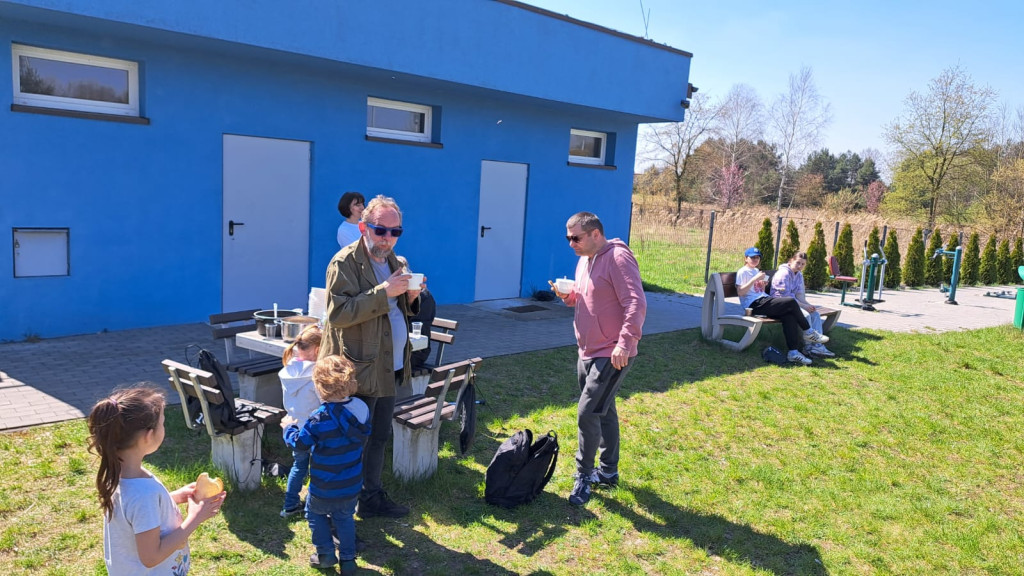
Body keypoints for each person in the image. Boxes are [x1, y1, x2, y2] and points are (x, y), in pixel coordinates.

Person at [320, 194, 421, 519]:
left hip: (386, 366)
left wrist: (412, 296)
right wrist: (384, 292)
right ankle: (339, 514)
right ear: (363, 227)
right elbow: (338, 313)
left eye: (395, 232)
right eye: (381, 230)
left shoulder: (397, 263)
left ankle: (371, 498)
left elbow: (399, 309)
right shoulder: (344, 263)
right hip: (355, 371)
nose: (387, 238)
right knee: (349, 445)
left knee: (378, 436)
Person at [554, 211, 647, 507]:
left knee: (587, 412)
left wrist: (625, 343)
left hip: (612, 351)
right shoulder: (585, 259)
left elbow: (635, 301)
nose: (571, 243)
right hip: (588, 350)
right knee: (603, 410)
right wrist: (569, 297)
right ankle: (608, 471)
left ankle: (584, 476)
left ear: (596, 234)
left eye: (576, 237)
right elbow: (587, 296)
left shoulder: (618, 258)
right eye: (568, 238)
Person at [87, 385, 225, 575]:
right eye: (162, 423)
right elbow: (151, 557)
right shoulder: (144, 494)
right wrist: (195, 517)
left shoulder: (120, 473)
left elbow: (133, 514)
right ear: (148, 435)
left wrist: (173, 497)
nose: (164, 428)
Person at [282, 354, 370, 574]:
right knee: (345, 518)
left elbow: (300, 445)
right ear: (351, 382)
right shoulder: (362, 409)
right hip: (351, 483)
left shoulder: (317, 418)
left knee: (315, 515)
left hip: (323, 485)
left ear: (319, 388)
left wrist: (288, 428)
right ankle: (348, 561)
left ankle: (325, 554)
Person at [736, 247, 830, 365]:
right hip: (753, 305)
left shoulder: (756, 271)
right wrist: (754, 279)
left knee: (789, 315)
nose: (755, 259)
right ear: (746, 258)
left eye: (757, 257)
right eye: (752, 257)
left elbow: (760, 291)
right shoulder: (743, 271)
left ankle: (793, 353)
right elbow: (740, 292)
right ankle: (808, 332)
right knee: (791, 302)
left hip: (764, 300)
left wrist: (763, 284)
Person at [278, 324, 323, 518]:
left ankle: (290, 505)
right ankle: (312, 507)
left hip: (294, 425)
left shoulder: (289, 368)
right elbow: (325, 402)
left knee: (299, 466)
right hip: (314, 428)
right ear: (318, 349)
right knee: (318, 469)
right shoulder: (317, 374)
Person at [770, 252, 836, 358]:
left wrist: (809, 305)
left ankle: (817, 346)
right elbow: (786, 298)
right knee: (805, 315)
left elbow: (799, 295)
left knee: (814, 314)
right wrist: (804, 306)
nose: (800, 266)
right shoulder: (783, 274)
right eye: (798, 263)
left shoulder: (799, 275)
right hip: (781, 304)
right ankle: (808, 347)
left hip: (794, 303)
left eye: (803, 264)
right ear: (791, 261)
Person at [397, 255, 436, 370]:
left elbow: (417, 332)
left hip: (415, 353)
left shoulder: (423, 297)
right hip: (399, 349)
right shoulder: (395, 294)